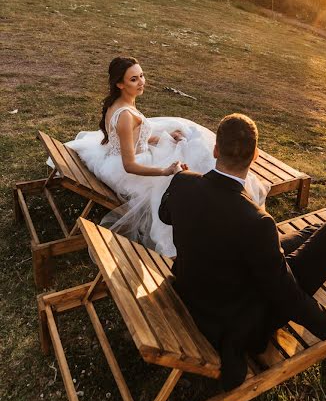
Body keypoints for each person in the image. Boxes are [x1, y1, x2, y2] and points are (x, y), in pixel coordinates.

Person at [158, 113, 326, 391]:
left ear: (216, 149)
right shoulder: (256, 222)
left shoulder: (183, 182)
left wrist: (179, 180)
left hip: (209, 285)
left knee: (309, 233)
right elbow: (284, 294)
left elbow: (165, 214)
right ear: (255, 156)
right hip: (244, 315)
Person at [64, 57, 269, 257]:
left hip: (124, 157)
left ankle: (218, 181)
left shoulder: (119, 104)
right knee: (180, 165)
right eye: (133, 79)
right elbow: (129, 165)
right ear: (119, 84)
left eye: (141, 75)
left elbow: (133, 139)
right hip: (127, 171)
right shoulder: (125, 116)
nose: (141, 82)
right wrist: (165, 171)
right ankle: (219, 195)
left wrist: (160, 138)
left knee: (184, 140)